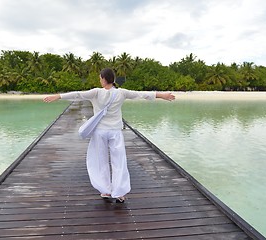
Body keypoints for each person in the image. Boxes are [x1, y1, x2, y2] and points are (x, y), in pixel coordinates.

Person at [43, 68, 175, 203]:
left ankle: (105, 190)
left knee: (101, 161)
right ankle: (119, 193)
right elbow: (141, 94)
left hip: (100, 132)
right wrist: (162, 95)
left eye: (100, 78)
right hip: (115, 131)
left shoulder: (96, 92)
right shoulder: (121, 93)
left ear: (104, 79)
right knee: (119, 162)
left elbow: (78, 95)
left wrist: (58, 96)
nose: (100, 80)